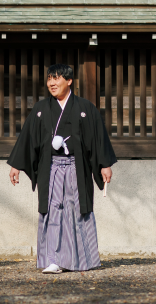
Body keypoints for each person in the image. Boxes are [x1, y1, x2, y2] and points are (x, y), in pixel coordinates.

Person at [7, 63, 117, 273]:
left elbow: (98, 139)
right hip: (52, 169)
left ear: (69, 81)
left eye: (56, 78)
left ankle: (82, 260)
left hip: (78, 167)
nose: (51, 83)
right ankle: (54, 260)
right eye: (49, 79)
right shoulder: (41, 109)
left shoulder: (85, 108)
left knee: (77, 210)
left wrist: (104, 165)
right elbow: (27, 138)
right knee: (53, 211)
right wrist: (16, 166)